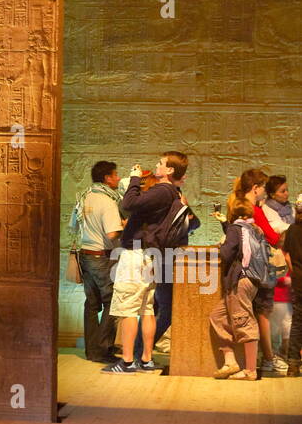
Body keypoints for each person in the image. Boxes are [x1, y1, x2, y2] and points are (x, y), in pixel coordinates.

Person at [104, 151, 191, 374]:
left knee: (129, 308)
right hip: (150, 255)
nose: (156, 165)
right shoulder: (173, 193)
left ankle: (127, 361)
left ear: (170, 170)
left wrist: (134, 178)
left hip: (136, 255)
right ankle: (146, 359)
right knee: (147, 308)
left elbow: (129, 204)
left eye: (161, 163)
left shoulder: (162, 190)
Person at [224, 168, 287, 375]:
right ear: (255, 188)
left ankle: (251, 360)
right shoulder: (254, 210)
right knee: (262, 314)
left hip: (243, 270)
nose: (265, 193)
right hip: (259, 270)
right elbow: (272, 238)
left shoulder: (236, 204)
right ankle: (267, 359)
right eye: (262, 188)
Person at [211, 201, 271, 380]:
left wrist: (221, 246)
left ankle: (250, 371)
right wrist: (225, 226)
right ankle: (231, 362)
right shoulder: (253, 228)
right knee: (217, 316)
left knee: (243, 321)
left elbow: (228, 253)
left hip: (240, 280)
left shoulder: (235, 229)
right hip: (252, 280)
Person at [72, 160, 123, 363]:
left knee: (91, 305)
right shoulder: (108, 201)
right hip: (102, 257)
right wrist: (127, 227)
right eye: (115, 175)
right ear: (107, 178)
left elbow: (73, 227)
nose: (118, 178)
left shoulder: (83, 197)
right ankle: (103, 348)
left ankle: (92, 350)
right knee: (113, 302)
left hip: (85, 255)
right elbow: (112, 234)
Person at [262, 175, 293, 364]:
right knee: (278, 317)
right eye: (282, 191)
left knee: (287, 316)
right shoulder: (268, 209)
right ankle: (272, 354)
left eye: (287, 189)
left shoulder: (288, 208)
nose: (286, 193)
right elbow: (277, 230)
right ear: (273, 194)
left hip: (288, 255)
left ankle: (284, 352)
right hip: (277, 259)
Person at [282, 194, 302, 377]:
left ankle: (293, 365)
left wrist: (294, 271)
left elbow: (286, 255)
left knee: (297, 323)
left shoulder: (292, 229)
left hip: (298, 281)